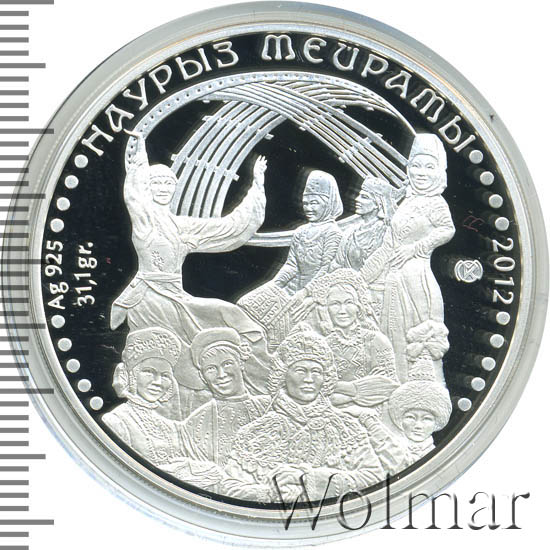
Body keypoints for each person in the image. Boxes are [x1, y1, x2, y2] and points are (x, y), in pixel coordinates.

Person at [110, 132, 271, 410]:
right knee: (172, 355)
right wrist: (139, 156)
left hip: (176, 296)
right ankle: (169, 404)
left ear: (175, 188)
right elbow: (134, 195)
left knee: (227, 313)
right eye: (156, 182)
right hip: (149, 298)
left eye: (168, 182)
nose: (162, 187)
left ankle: (258, 380)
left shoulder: (182, 226)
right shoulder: (145, 220)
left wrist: (257, 187)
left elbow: (231, 228)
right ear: (147, 186)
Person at [220, 324, 384, 503]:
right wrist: (270, 493)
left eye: (316, 371)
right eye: (300, 371)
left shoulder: (347, 428)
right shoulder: (254, 433)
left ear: (326, 378)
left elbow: (374, 477)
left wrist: (310, 480)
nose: (309, 379)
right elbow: (229, 488)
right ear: (283, 375)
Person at [361, 134, 455, 382]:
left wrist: (415, 249)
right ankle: (396, 386)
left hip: (416, 282)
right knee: (392, 336)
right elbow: (388, 244)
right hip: (393, 280)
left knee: (417, 340)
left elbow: (447, 230)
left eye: (429, 166)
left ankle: (422, 389)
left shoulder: (436, 203)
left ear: (439, 171)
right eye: (416, 165)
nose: (421, 173)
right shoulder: (408, 201)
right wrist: (361, 279)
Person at [102, 327, 223, 489]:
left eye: (165, 375)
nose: (158, 382)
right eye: (149, 372)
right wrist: (181, 470)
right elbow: (118, 471)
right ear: (131, 375)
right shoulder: (116, 421)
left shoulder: (170, 427)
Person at [237, 169, 343, 349]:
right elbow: (291, 265)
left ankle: (269, 349)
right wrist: (274, 285)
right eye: (306, 203)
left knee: (282, 322)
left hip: (317, 293)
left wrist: (305, 293)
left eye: (314, 203)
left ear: (328, 203)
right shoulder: (301, 232)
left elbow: (326, 270)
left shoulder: (333, 233)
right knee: (248, 303)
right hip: (292, 288)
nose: (308, 208)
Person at [306, 269, 398, 409]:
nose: (342, 310)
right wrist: (363, 389)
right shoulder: (321, 346)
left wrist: (339, 387)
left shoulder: (377, 341)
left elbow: (390, 388)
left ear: (358, 307)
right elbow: (315, 391)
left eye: (349, 302)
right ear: (326, 309)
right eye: (335, 304)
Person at [180, 328, 271, 467]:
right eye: (211, 369)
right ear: (202, 376)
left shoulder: (270, 407)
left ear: (241, 363)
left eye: (227, 364)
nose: (221, 374)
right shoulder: (195, 424)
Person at [388, 380, 452, 471]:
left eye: (426, 419)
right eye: (411, 417)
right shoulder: (391, 450)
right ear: (400, 420)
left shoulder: (438, 456)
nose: (418, 425)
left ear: (436, 423)